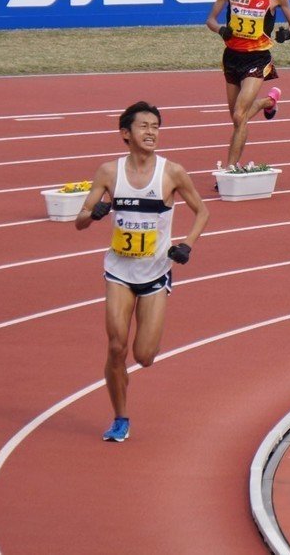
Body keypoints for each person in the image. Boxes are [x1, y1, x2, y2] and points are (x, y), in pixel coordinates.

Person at [77, 100, 209, 443]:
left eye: (156, 127)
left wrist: (187, 245)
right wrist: (95, 213)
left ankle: (125, 375)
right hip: (119, 270)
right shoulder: (108, 172)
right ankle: (120, 417)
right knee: (116, 347)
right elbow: (79, 221)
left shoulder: (172, 172)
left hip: (155, 274)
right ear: (125, 133)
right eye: (144, 126)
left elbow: (202, 212)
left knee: (144, 356)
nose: (151, 132)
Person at [204, 0, 290, 168]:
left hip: (258, 58)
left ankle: (230, 169)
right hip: (232, 57)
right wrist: (221, 29)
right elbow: (210, 20)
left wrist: (287, 33)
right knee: (237, 117)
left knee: (239, 116)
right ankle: (269, 101)